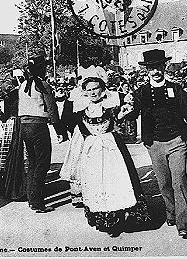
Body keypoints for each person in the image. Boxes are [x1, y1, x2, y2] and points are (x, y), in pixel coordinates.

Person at [123, 49, 187, 239]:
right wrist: (121, 111)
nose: (155, 72)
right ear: (146, 71)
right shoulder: (141, 93)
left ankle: (185, 223)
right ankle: (171, 212)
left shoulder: (176, 89)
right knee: (163, 183)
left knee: (179, 181)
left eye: (158, 67)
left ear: (164, 67)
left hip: (176, 141)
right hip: (153, 143)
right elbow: (131, 113)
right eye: (151, 69)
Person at [60, 66, 150, 237]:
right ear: (84, 91)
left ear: (102, 88)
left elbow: (130, 110)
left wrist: (124, 113)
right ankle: (108, 220)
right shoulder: (80, 106)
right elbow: (69, 122)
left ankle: (126, 217)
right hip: (91, 149)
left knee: (117, 180)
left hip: (112, 146)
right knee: (97, 182)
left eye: (96, 88)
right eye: (89, 90)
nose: (93, 92)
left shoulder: (111, 102)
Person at [18, 54, 68, 212]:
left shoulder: (23, 84)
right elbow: (52, 110)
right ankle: (38, 202)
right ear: (41, 68)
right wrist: (60, 131)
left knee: (32, 163)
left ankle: (32, 198)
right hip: (38, 126)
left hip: (24, 125)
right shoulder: (43, 85)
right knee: (42, 163)